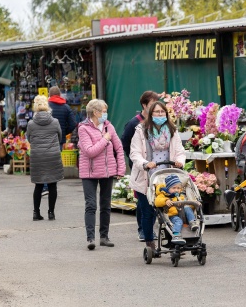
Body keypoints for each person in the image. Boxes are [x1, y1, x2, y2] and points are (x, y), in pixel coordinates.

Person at [129, 101, 186, 252]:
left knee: (171, 208)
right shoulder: (141, 130)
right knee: (148, 212)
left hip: (167, 175)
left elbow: (179, 150)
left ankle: (173, 239)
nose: (160, 115)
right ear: (150, 114)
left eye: (162, 112)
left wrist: (180, 161)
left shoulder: (172, 131)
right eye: (157, 112)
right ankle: (150, 243)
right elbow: (134, 152)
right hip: (147, 176)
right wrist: (145, 163)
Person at [78, 99, 125, 250]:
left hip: (107, 171)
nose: (106, 114)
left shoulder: (108, 126)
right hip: (89, 172)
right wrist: (105, 140)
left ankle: (104, 236)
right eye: (104, 111)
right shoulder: (83, 128)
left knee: (106, 205)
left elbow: (119, 147)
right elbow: (90, 151)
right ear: (95, 113)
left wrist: (121, 169)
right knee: (91, 205)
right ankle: (90, 238)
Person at [120, 90, 159, 242]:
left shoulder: (159, 121)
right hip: (141, 167)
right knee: (143, 201)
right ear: (144, 105)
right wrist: (137, 160)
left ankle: (150, 228)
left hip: (157, 167)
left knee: (156, 199)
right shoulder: (133, 123)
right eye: (152, 104)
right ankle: (142, 230)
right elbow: (125, 143)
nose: (155, 107)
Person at [26, 95, 63, 221]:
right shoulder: (55, 122)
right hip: (53, 155)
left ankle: (36, 213)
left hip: (37, 156)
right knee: (53, 185)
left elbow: (29, 138)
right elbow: (60, 136)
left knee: (39, 185)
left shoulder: (31, 124)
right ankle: (51, 212)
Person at [45, 86, 77, 196]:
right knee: (54, 163)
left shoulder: (45, 107)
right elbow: (73, 124)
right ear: (59, 95)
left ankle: (45, 186)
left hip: (45, 138)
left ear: (49, 95)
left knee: (45, 162)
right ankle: (52, 186)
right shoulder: (66, 107)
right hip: (59, 139)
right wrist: (64, 132)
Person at [155, 174, 200, 244]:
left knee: (187, 207)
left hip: (182, 214)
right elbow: (157, 202)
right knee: (178, 221)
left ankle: (192, 222)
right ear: (168, 188)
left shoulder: (180, 196)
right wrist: (166, 201)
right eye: (174, 188)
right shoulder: (163, 195)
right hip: (171, 215)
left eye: (178, 188)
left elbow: (187, 205)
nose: (176, 190)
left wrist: (195, 204)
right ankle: (176, 235)